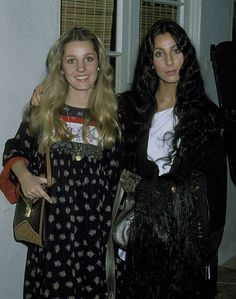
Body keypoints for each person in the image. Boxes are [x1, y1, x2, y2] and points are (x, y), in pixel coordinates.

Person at [31, 20, 227, 299]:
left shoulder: (208, 118)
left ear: (187, 55)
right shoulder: (129, 108)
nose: (170, 61)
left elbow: (216, 195)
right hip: (135, 243)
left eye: (176, 50)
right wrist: (46, 93)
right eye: (159, 53)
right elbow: (84, 109)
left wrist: (207, 251)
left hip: (184, 247)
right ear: (150, 61)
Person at [0, 27, 124, 298]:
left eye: (88, 59)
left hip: (96, 236)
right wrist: (25, 177)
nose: (81, 68)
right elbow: (14, 150)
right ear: (61, 68)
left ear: (100, 64)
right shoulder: (44, 113)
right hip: (53, 235)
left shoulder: (113, 117)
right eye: (71, 60)